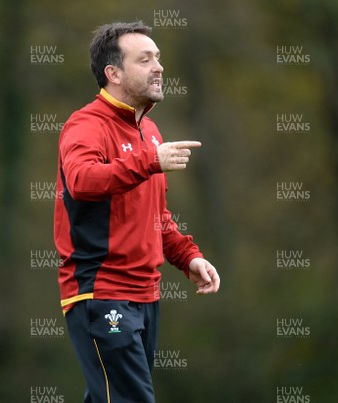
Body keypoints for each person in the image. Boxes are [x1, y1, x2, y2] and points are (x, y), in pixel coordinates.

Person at [53, 21, 220, 403]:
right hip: (101, 293)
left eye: (158, 58)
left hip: (146, 296)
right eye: (144, 60)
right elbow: (81, 180)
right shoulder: (86, 124)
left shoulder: (151, 132)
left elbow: (156, 217)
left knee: (111, 397)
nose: (158, 67)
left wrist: (187, 257)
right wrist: (149, 161)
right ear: (113, 73)